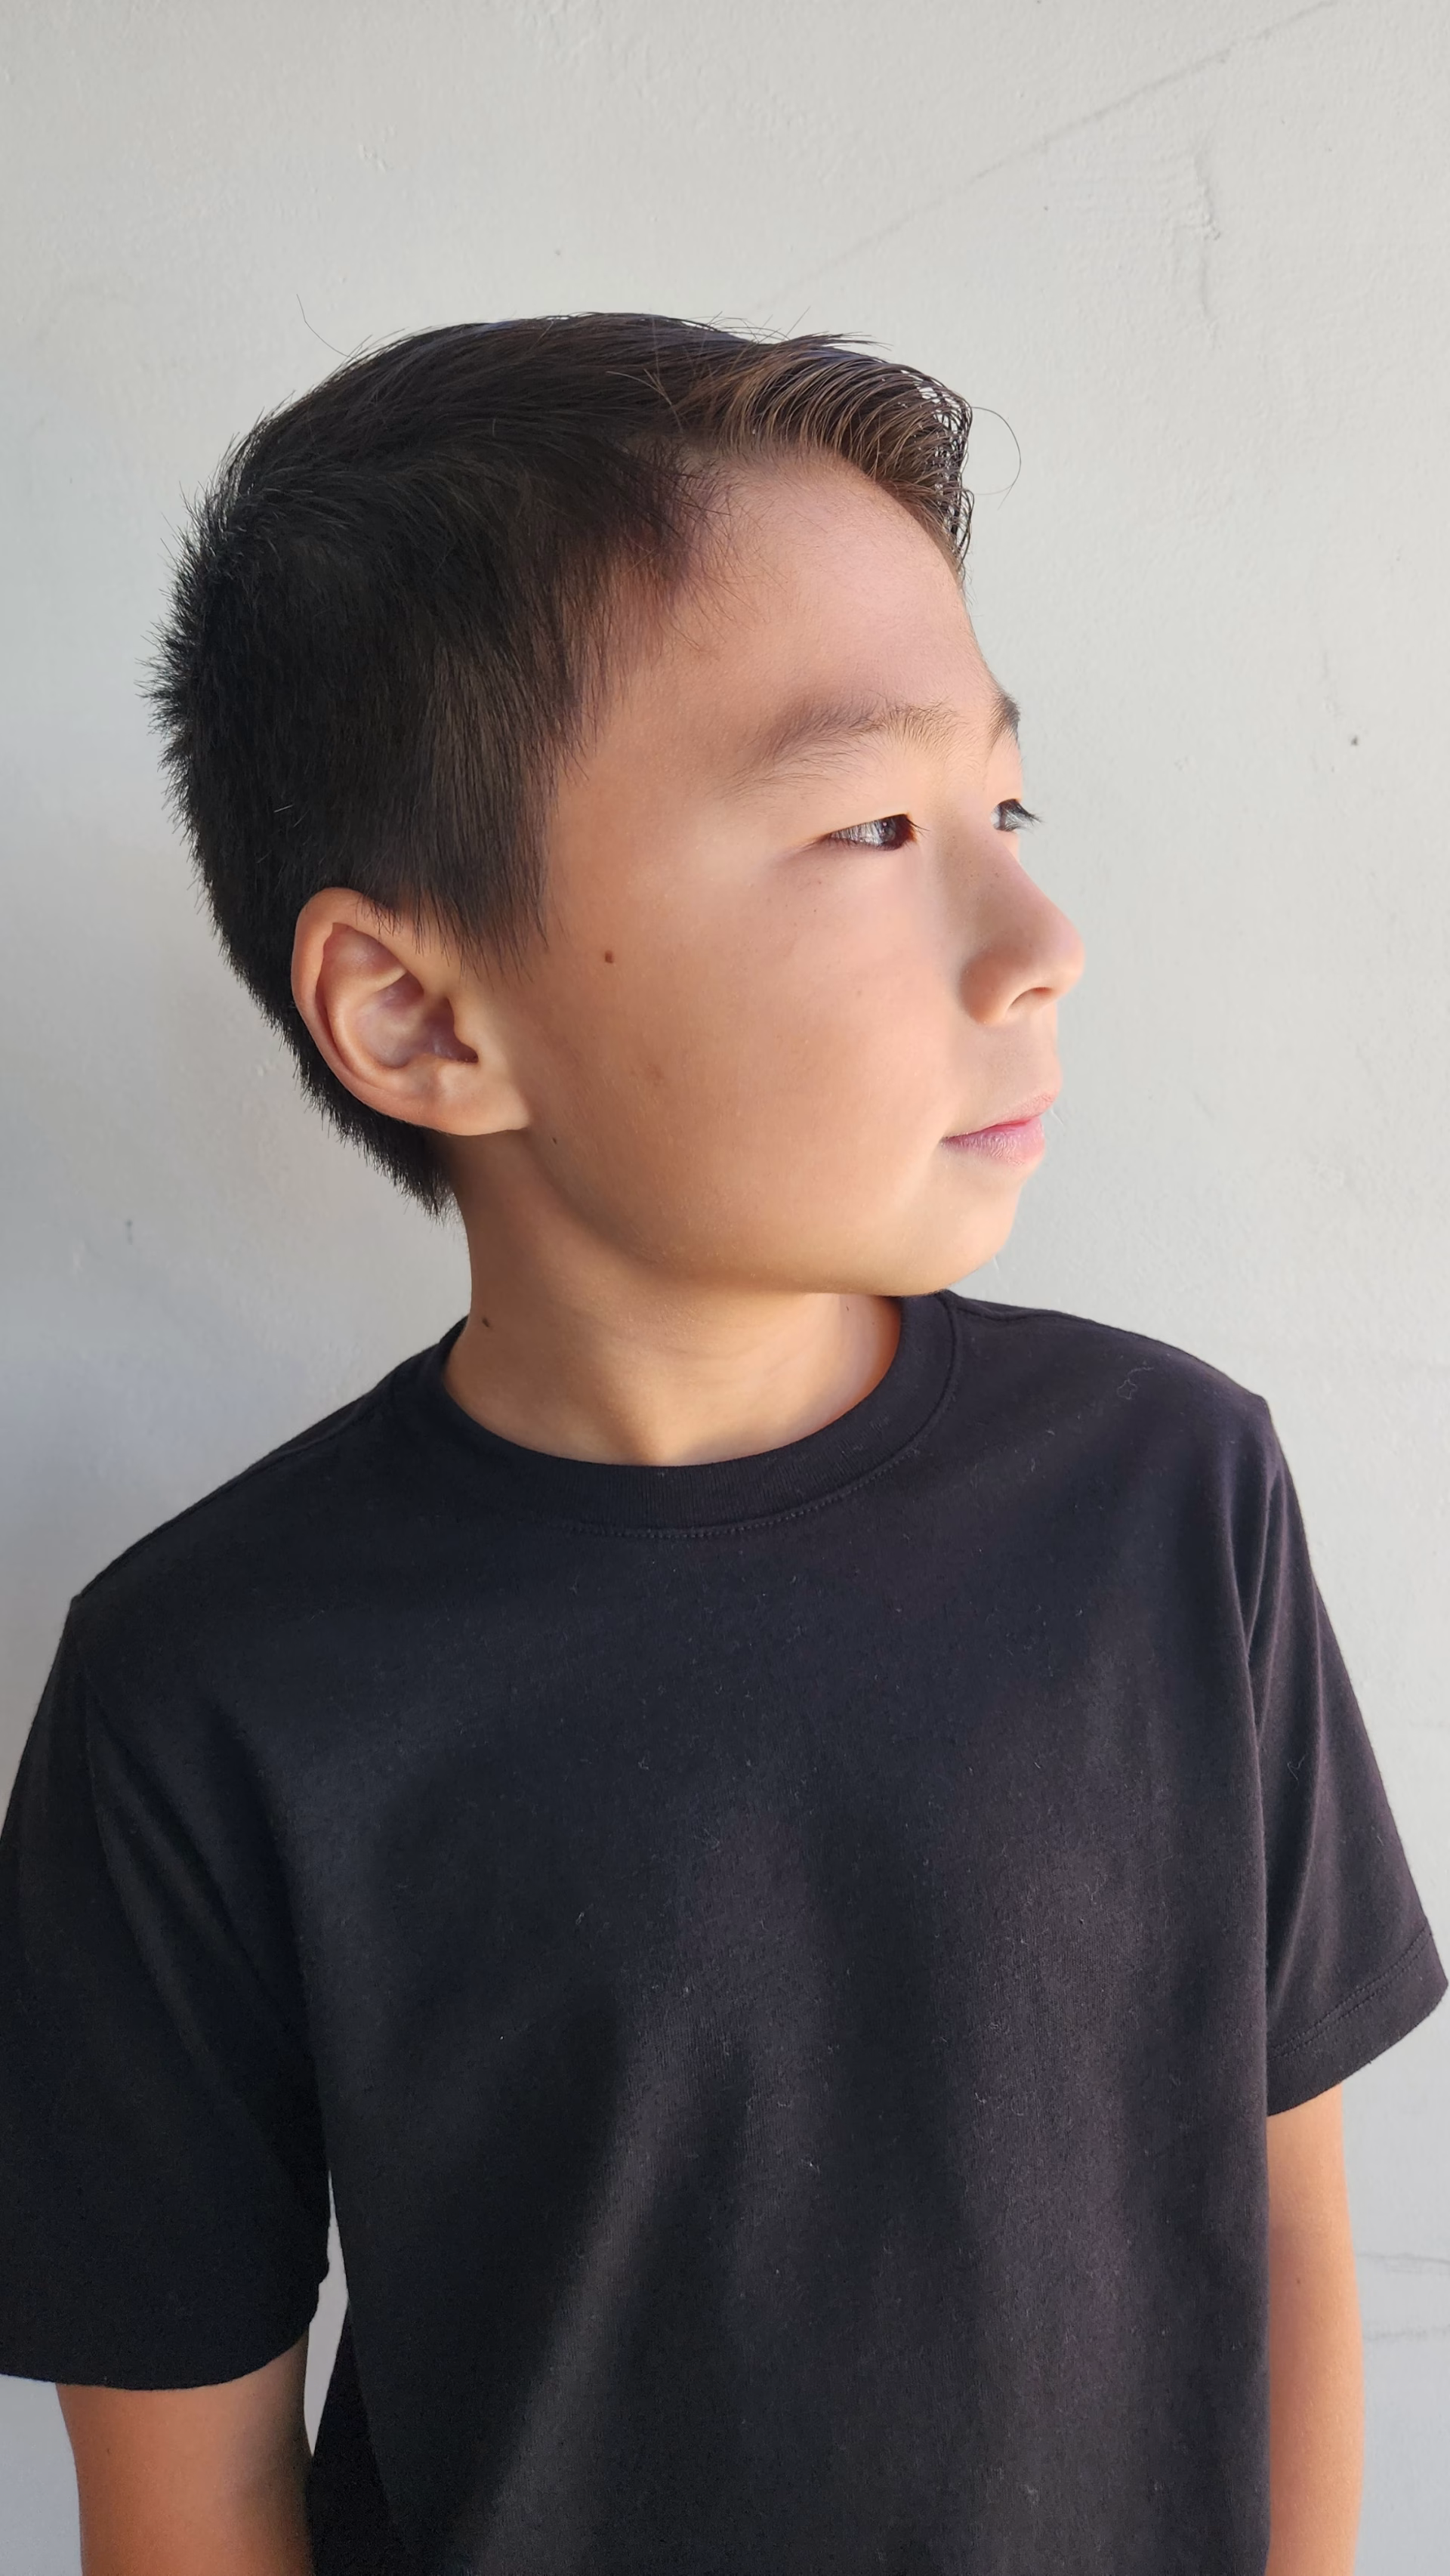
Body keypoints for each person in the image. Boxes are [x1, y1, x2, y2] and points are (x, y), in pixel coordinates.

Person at [0, 315, 1442, 2576]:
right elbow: (189, 2501)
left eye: (1001, 808)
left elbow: (1282, 2238)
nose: (1040, 938)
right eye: (870, 825)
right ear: (421, 1013)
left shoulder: (1172, 1498)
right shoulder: (204, 1690)